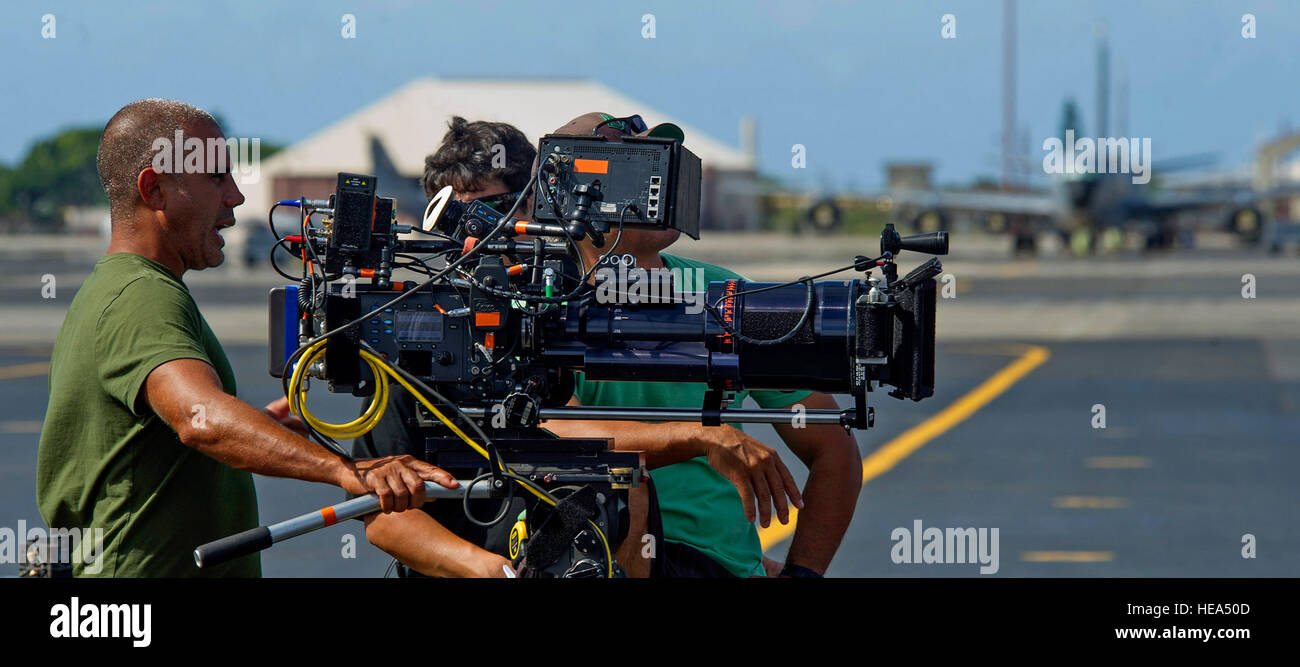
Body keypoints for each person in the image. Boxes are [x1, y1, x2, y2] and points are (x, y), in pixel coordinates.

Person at [36, 98, 456, 578]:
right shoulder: (141, 297)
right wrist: (349, 471)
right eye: (216, 178)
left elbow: (175, 426)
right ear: (154, 189)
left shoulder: (121, 286)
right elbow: (201, 420)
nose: (235, 196)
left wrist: (262, 426)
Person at [538, 113, 863, 578]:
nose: (664, 183)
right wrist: (702, 437)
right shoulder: (536, 303)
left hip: (716, 566)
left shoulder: (724, 295)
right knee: (624, 484)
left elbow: (834, 449)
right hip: (598, 554)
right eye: (644, 167)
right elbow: (550, 433)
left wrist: (802, 574)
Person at [353, 117, 538, 578]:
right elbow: (377, 508)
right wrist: (483, 569)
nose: (473, 238)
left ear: (531, 206)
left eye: (491, 211)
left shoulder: (583, 309)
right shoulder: (416, 329)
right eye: (455, 218)